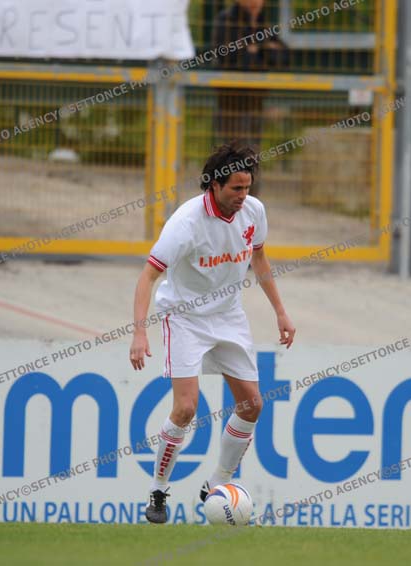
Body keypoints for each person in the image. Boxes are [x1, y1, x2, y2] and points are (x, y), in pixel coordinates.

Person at [129, 142, 295, 524]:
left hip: (228, 315)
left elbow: (260, 259)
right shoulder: (186, 223)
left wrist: (281, 312)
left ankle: (217, 483)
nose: (243, 195)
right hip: (184, 317)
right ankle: (158, 490)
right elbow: (147, 277)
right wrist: (139, 333)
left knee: (252, 404)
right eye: (236, 188)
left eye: (247, 187)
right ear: (215, 185)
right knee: (186, 408)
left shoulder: (254, 211)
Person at [212, 0, 288, 196]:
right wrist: (263, 49)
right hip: (231, 103)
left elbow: (284, 57)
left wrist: (256, 49)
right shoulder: (227, 20)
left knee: (253, 157)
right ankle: (229, 203)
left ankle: (250, 203)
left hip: (256, 101)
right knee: (235, 158)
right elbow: (230, 56)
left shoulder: (263, 23)